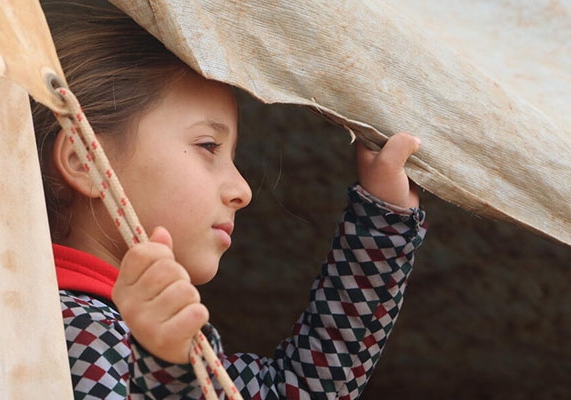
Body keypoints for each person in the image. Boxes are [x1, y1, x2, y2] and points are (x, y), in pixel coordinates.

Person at [33, 1, 427, 398]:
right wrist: (167, 368)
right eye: (208, 145)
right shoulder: (66, 330)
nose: (243, 190)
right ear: (86, 160)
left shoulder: (102, 325)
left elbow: (298, 389)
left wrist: (382, 223)